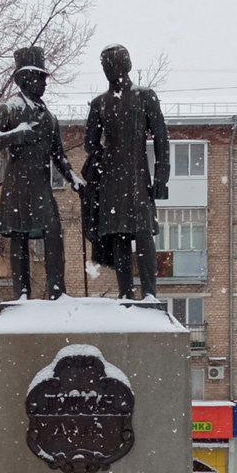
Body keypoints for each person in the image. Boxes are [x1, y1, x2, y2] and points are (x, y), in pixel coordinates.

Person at [0, 46, 81, 300]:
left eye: (44, 78)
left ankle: (57, 292)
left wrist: (74, 179)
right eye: (39, 78)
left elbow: (59, 154)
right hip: (17, 183)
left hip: (41, 185)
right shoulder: (10, 108)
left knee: (53, 233)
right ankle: (22, 295)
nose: (44, 84)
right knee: (19, 237)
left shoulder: (49, 118)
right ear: (25, 79)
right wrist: (18, 134)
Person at [83, 44, 169, 300]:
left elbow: (162, 138)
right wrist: (100, 161)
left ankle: (150, 295)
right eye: (105, 66)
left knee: (143, 235)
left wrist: (162, 176)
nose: (109, 70)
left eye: (113, 64)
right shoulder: (100, 103)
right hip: (112, 180)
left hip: (138, 177)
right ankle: (125, 295)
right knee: (119, 237)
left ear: (126, 65)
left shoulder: (145, 97)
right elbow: (90, 141)